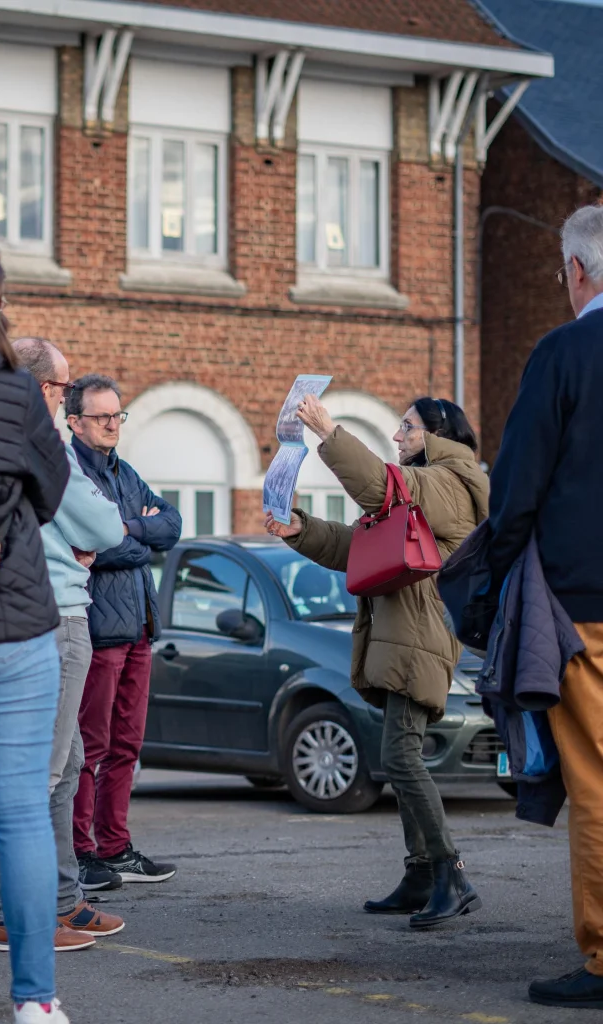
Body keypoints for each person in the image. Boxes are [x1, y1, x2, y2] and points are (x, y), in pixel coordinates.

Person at [265, 393, 488, 928]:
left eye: (406, 428)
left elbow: (382, 485)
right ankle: (419, 874)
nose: (397, 436)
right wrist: (302, 529)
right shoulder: (416, 495)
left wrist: (327, 430)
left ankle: (450, 872)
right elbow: (359, 547)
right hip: (399, 635)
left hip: (421, 637)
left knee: (404, 758)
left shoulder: (448, 484)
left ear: (435, 433)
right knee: (399, 758)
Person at [485, 204, 603, 1010]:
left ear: (576, 272)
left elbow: (516, 485)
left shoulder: (565, 352)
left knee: (596, 783)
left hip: (585, 600)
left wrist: (493, 578)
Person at [0, 338, 127, 954]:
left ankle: (60, 900)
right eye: (65, 390)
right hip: (55, 617)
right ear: (44, 391)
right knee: (42, 772)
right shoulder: (39, 445)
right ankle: (12, 914)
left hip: (36, 613)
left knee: (63, 768)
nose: (67, 398)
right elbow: (108, 525)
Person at [0, 238, 70, 1023]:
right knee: (21, 813)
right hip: (9, 621)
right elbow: (55, 490)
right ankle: (34, 1001)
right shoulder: (11, 383)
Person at [66, 375, 181, 883]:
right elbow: (92, 541)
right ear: (75, 422)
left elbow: (172, 527)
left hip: (139, 626)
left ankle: (114, 847)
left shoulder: (125, 471)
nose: (113, 424)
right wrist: (138, 531)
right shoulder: (70, 473)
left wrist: (125, 527)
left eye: (118, 415)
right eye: (102, 416)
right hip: (97, 629)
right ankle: (81, 853)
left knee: (127, 748)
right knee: (88, 749)